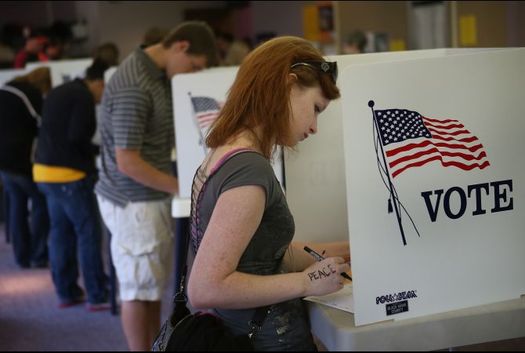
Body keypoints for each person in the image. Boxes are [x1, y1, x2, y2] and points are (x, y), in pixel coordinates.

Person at [186, 36, 350, 351]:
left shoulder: (228, 150)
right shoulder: (249, 171)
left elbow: (264, 257)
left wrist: (349, 249)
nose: (314, 127)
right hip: (264, 338)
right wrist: (307, 282)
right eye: (315, 109)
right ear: (287, 86)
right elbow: (205, 288)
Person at [95, 21, 218, 351]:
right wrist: (184, 187)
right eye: (193, 65)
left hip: (147, 198)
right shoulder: (135, 84)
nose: (190, 73)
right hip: (133, 202)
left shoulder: (156, 77)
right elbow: (128, 162)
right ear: (180, 46)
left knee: (149, 288)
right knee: (137, 290)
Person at [33, 58, 110, 311]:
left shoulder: (60, 90)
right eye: (105, 90)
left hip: (44, 172)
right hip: (69, 176)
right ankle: (97, 294)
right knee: (88, 234)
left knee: (60, 234)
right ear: (97, 83)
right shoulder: (83, 97)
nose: (103, 98)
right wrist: (97, 151)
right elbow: (77, 136)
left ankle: (66, 292)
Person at [0, 67, 51, 269]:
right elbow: (43, 124)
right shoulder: (31, 95)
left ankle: (21, 256)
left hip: (4, 161)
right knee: (40, 202)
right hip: (21, 159)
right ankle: (38, 254)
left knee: (16, 205)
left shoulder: (5, 90)